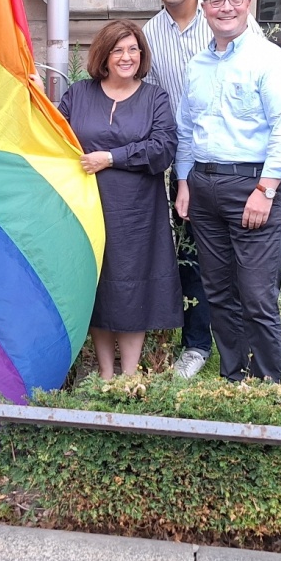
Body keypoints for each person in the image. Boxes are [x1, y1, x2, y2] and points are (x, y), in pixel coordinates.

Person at [174, 0, 281, 384]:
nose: (225, 7)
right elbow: (185, 130)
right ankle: (234, 378)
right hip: (204, 188)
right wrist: (183, 183)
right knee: (219, 293)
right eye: (215, 1)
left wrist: (266, 190)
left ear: (248, 4)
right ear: (204, 8)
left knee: (257, 295)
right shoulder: (198, 66)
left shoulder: (270, 60)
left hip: (254, 186)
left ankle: (268, 386)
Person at [58, 20, 181, 379]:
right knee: (98, 286)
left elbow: (163, 149)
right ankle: (105, 375)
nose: (126, 57)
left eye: (133, 49)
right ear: (104, 55)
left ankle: (129, 377)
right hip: (88, 208)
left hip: (138, 213)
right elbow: (54, 135)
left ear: (141, 55)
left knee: (132, 285)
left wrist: (111, 158)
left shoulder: (154, 97)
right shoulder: (79, 94)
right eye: (118, 50)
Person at [141, 0, 215, 379]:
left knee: (242, 257)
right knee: (192, 257)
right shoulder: (149, 35)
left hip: (237, 160)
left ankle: (243, 342)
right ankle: (196, 346)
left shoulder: (224, 16)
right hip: (186, 165)